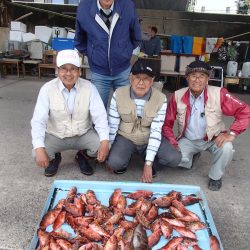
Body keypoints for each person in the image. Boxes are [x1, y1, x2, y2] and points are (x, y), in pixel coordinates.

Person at [161, 60, 250, 191]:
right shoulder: (177, 96)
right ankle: (191, 157)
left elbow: (244, 110)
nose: (197, 80)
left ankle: (215, 177)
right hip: (188, 140)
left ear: (207, 78)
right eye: (193, 75)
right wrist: (173, 142)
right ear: (187, 78)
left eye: (202, 76)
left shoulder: (219, 93)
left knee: (227, 148)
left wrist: (232, 134)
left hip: (214, 139)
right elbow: (167, 123)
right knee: (169, 158)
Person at [31, 49, 109, 177]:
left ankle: (82, 156)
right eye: (63, 68)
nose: (68, 73)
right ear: (57, 70)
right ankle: (55, 158)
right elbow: (38, 120)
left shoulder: (89, 87)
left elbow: (100, 116)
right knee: (36, 152)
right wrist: (39, 148)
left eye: (73, 69)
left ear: (79, 71)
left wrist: (105, 142)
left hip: (83, 134)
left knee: (104, 146)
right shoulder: (47, 89)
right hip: (55, 135)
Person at [106, 60, 168, 183]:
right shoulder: (118, 94)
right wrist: (108, 149)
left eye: (145, 79)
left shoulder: (161, 98)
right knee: (114, 163)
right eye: (137, 78)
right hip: (126, 137)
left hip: (148, 137)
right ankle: (125, 157)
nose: (141, 83)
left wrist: (148, 164)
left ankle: (148, 159)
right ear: (130, 78)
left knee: (173, 158)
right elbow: (112, 125)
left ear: (152, 80)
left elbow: (156, 131)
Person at [75, 0, 142, 108]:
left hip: (123, 70)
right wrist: (93, 54)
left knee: (126, 111)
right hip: (99, 72)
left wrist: (125, 53)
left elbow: (136, 36)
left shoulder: (127, 5)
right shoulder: (84, 7)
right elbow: (79, 40)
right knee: (98, 111)